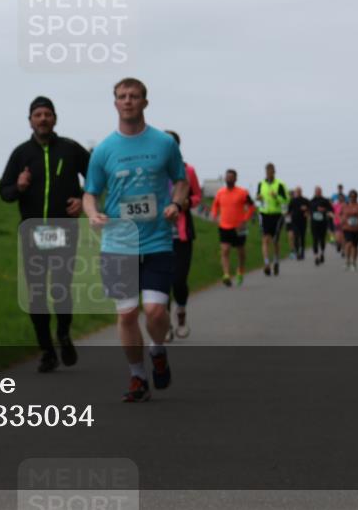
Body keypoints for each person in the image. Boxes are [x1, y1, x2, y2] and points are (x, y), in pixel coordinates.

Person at [82, 78, 188, 402]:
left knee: (155, 312)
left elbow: (180, 182)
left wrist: (176, 203)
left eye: (134, 96)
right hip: (118, 243)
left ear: (145, 102)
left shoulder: (164, 144)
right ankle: (138, 377)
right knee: (127, 314)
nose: (128, 101)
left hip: (157, 240)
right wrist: (92, 213)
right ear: (115, 103)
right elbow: (90, 193)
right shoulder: (103, 150)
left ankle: (157, 350)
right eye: (122, 96)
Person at [0, 96, 90, 372]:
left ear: (55, 119)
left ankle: (63, 333)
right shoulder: (21, 154)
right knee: (36, 294)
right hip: (33, 233)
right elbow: (4, 192)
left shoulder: (71, 149)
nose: (43, 119)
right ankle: (47, 350)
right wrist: (19, 186)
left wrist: (83, 199)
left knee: (61, 288)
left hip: (65, 230)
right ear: (30, 120)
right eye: (37, 114)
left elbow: (99, 178)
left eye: (47, 114)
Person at [164, 131, 202, 340]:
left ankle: (181, 314)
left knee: (178, 280)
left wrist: (188, 203)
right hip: (158, 235)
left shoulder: (188, 170)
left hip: (181, 235)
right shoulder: (154, 171)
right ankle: (165, 325)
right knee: (161, 284)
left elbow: (197, 195)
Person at [211, 169, 257, 287]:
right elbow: (215, 205)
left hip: (239, 227)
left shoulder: (242, 192)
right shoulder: (220, 192)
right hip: (224, 226)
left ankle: (240, 271)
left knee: (240, 251)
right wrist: (214, 215)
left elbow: (251, 207)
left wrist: (245, 219)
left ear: (235, 179)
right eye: (227, 177)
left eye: (231, 177)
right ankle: (226, 275)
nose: (229, 179)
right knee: (225, 250)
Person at [255, 162, 289, 276]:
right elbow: (257, 198)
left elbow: (286, 200)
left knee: (275, 240)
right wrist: (258, 198)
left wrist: (277, 197)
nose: (269, 173)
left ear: (274, 172)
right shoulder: (261, 184)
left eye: (271, 171)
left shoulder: (280, 185)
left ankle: (276, 261)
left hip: (277, 215)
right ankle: (266, 264)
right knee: (265, 239)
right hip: (264, 214)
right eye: (267, 171)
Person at [307, 186, 334, 265]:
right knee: (315, 239)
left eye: (319, 191)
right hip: (314, 223)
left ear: (321, 192)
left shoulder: (325, 201)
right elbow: (308, 211)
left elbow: (331, 210)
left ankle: (322, 253)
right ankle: (316, 257)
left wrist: (324, 210)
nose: (318, 192)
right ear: (314, 192)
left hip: (323, 223)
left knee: (322, 240)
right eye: (316, 191)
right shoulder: (311, 201)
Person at [341, 190, 358, 271]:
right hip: (347, 228)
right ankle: (347, 261)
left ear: (356, 197)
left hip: (357, 229)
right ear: (348, 197)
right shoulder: (345, 205)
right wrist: (343, 220)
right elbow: (341, 215)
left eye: (354, 196)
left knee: (355, 246)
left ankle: (354, 263)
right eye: (351, 196)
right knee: (348, 244)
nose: (352, 198)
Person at [287, 186, 310, 261]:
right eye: (297, 191)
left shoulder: (305, 200)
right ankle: (297, 252)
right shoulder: (293, 200)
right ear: (295, 192)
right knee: (296, 236)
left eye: (299, 191)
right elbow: (288, 210)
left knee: (302, 237)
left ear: (301, 192)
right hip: (295, 221)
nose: (298, 192)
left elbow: (310, 208)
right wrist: (288, 216)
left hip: (303, 221)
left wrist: (307, 211)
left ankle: (302, 252)